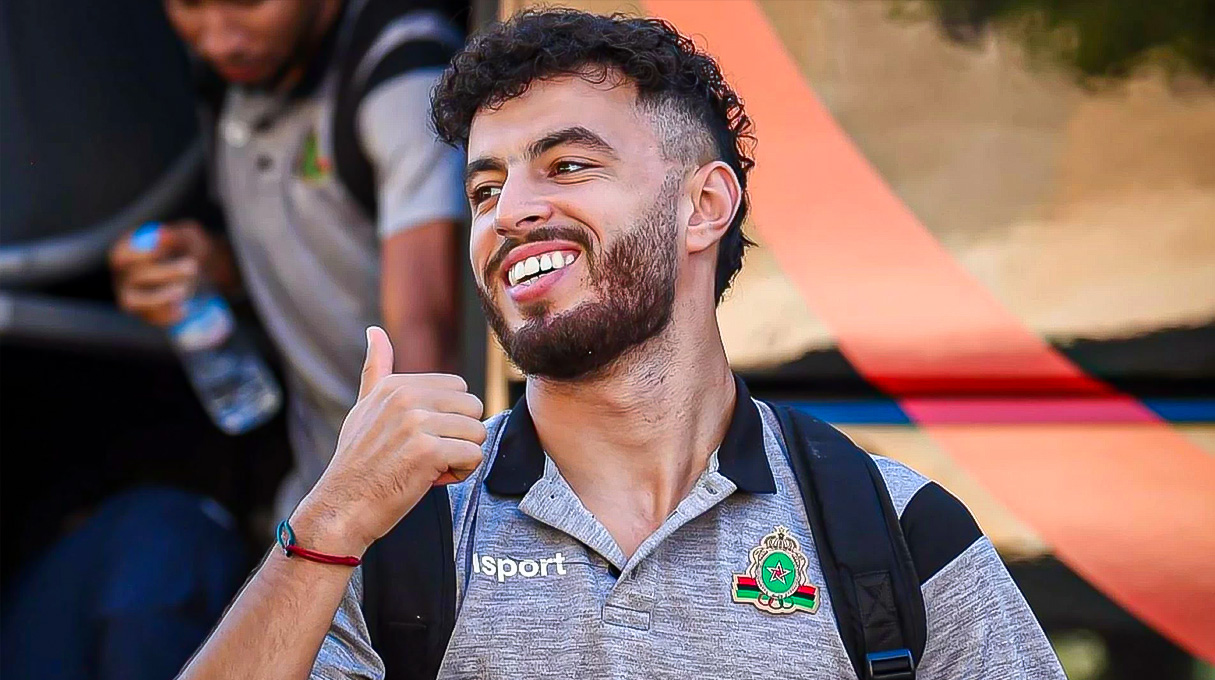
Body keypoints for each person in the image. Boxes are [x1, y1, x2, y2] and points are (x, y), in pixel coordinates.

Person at [176, 9, 1067, 679]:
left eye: (566, 166)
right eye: (484, 190)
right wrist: (328, 521)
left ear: (703, 206)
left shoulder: (892, 531)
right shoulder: (393, 535)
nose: (509, 213)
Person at [108, 0, 468, 521]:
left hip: (399, 500)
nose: (217, 39)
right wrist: (208, 269)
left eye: (249, 3)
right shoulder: (225, 79)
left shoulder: (404, 77)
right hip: (313, 484)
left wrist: (407, 532)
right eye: (187, 4)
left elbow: (425, 333)